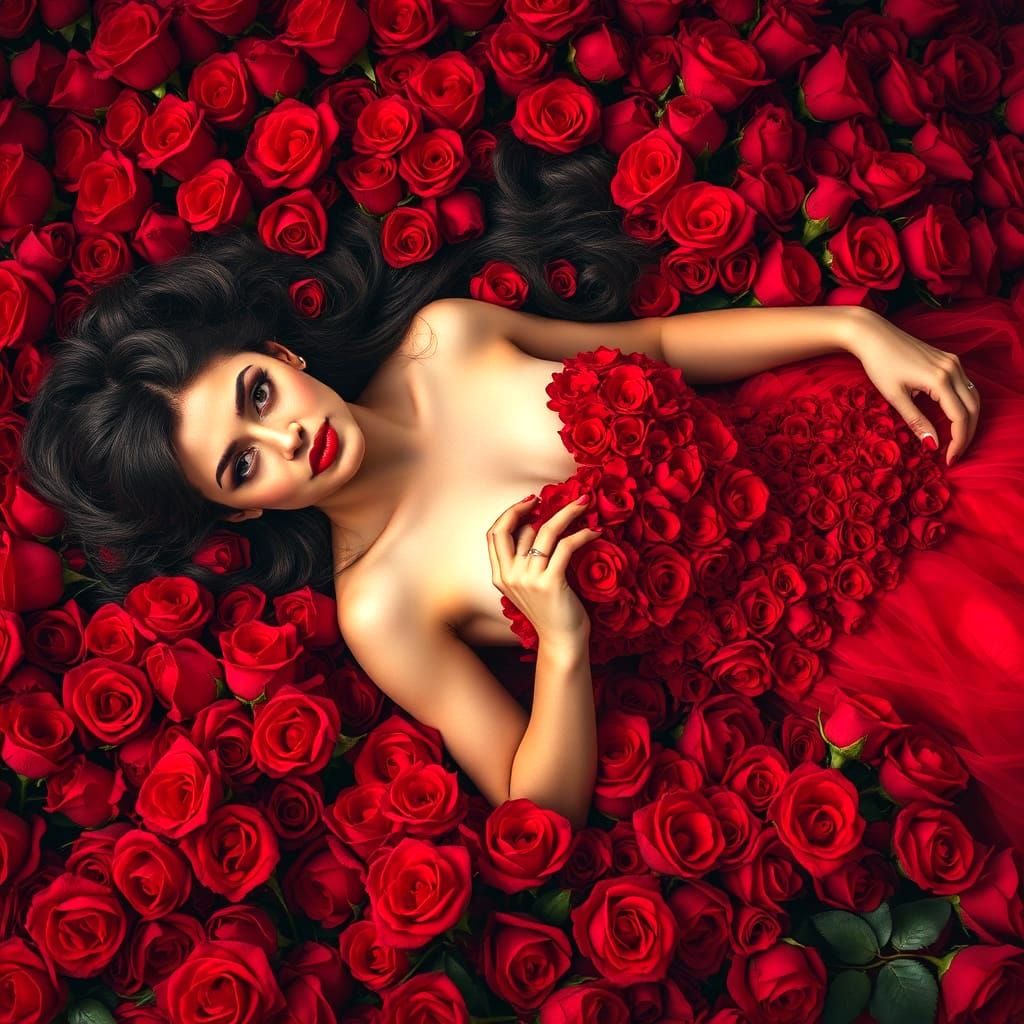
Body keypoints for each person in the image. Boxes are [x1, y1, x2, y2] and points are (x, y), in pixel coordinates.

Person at [20, 132, 1024, 842]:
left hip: (860, 444)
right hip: (841, 629)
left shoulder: (446, 336)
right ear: (239, 507)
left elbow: (660, 341)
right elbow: (533, 803)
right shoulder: (380, 603)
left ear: (280, 354)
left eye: (256, 392)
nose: (285, 435)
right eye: (242, 463)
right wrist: (564, 641)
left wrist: (851, 328)